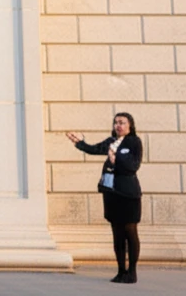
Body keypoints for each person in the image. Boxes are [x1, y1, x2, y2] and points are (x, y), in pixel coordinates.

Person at [67, 112, 143, 284]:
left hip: (128, 194)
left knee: (130, 231)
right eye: (116, 122)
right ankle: (121, 271)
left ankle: (132, 272)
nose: (118, 125)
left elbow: (133, 166)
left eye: (122, 122)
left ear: (130, 125)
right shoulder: (111, 142)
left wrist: (117, 159)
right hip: (112, 194)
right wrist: (79, 142)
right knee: (117, 232)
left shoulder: (134, 142)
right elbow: (94, 149)